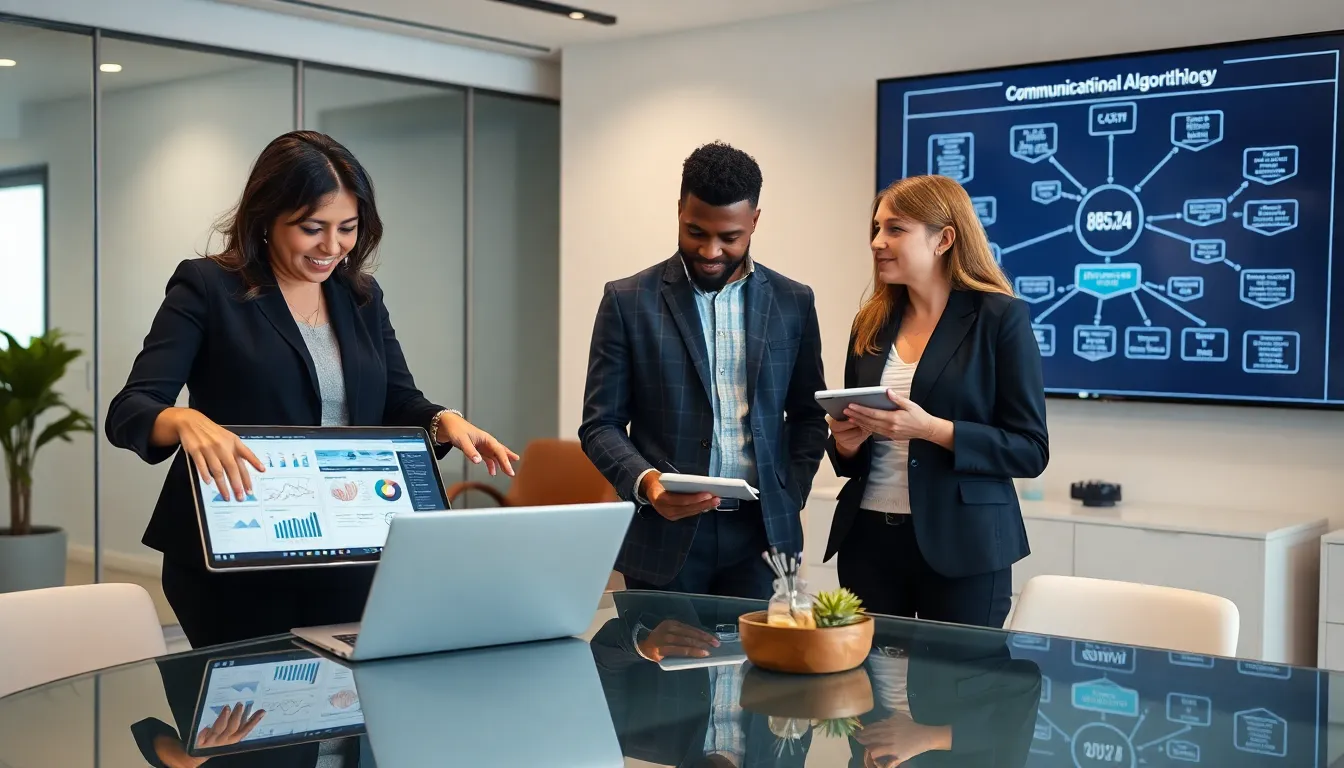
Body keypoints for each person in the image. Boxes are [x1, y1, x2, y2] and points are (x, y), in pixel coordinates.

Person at [106, 130, 517, 648]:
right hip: (239, 555)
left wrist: (444, 421)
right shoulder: (208, 287)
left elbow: (395, 400)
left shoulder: (360, 296)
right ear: (265, 219)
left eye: (347, 228)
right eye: (311, 228)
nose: (332, 246)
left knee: (348, 713)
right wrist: (186, 421)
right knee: (248, 720)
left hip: (350, 545)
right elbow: (130, 408)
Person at [579, 141, 828, 600]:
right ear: (678, 209)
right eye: (695, 231)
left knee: (754, 672)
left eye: (729, 237)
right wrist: (648, 484)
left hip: (763, 538)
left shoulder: (794, 301)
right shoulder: (627, 300)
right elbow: (600, 425)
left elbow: (809, 416)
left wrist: (787, 491)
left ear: (754, 220)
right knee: (659, 673)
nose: (710, 249)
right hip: (662, 534)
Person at [823, 174, 1048, 629]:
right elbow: (853, 455)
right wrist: (846, 443)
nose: (876, 242)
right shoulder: (869, 323)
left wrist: (932, 429)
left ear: (944, 238)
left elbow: (1030, 448)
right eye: (876, 228)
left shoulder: (1000, 318)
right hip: (868, 543)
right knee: (869, 691)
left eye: (895, 229)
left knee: (959, 694)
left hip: (964, 546)